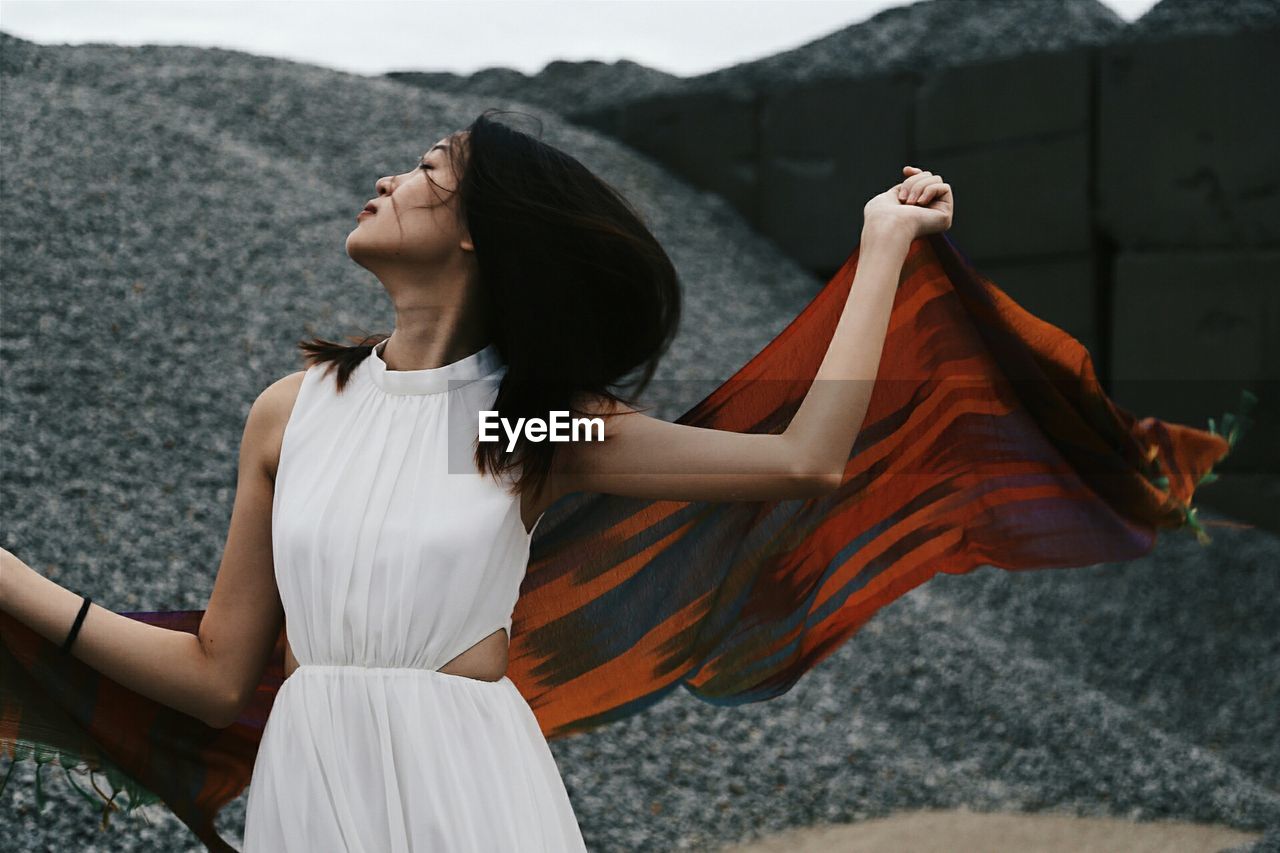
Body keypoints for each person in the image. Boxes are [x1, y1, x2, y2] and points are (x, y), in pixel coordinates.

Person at [0, 108, 1244, 851]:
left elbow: (802, 462)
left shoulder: (524, 427)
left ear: (481, 232)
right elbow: (220, 674)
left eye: (424, 171)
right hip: (308, 781)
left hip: (461, 785)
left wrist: (877, 250)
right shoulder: (293, 411)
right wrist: (14, 581)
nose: (384, 179)